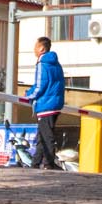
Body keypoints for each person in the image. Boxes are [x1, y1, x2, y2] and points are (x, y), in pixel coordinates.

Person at [27, 34, 68, 168]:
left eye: (35, 46)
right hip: (56, 103)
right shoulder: (56, 64)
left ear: (41, 49)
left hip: (46, 105)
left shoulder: (42, 63)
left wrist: (30, 95)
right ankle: (35, 162)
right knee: (42, 135)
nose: (33, 49)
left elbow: (40, 86)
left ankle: (49, 163)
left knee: (46, 135)